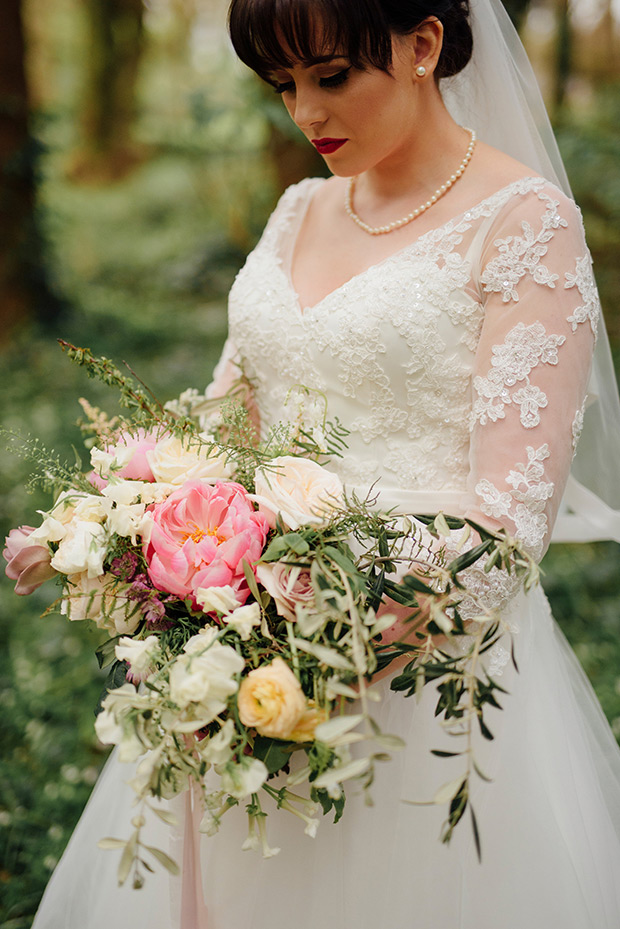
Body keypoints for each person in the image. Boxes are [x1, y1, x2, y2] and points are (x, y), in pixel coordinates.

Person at [31, 0, 620, 926]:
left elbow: (508, 524)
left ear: (423, 44)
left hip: (426, 677)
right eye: (283, 85)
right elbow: (228, 425)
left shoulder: (525, 224)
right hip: (241, 654)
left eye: (332, 76)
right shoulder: (298, 207)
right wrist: (121, 521)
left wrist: (315, 650)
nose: (305, 113)